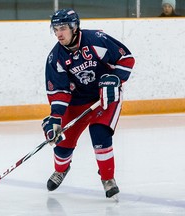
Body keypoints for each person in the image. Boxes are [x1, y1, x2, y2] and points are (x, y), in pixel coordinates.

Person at [42, 8, 135, 199]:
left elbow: (126, 59)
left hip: (104, 99)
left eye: (63, 28)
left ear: (74, 27)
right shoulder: (55, 58)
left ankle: (108, 179)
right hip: (76, 102)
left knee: (100, 134)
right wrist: (55, 118)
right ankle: (61, 170)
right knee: (62, 142)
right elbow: (59, 92)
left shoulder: (97, 40)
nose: (58, 33)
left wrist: (115, 78)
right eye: (55, 29)